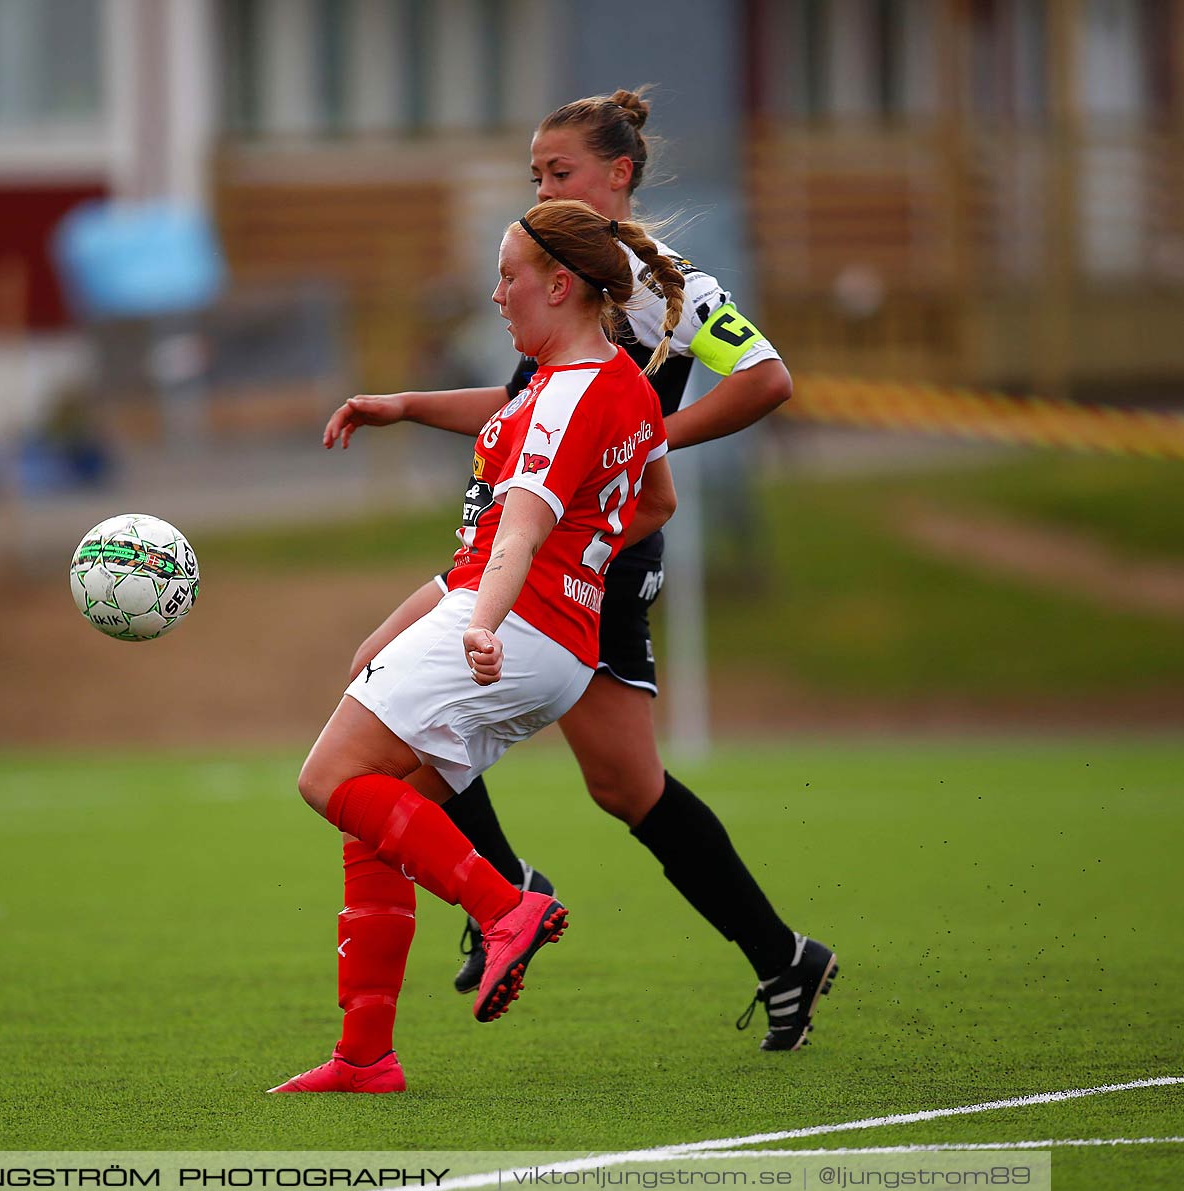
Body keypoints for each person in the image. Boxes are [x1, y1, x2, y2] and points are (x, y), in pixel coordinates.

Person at [321, 89, 837, 1051]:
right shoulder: (561, 287)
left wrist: (641, 444)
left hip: (592, 557)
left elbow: (768, 379)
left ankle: (520, 897)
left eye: (560, 174)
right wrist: (402, 403)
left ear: (618, 176)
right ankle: (533, 897)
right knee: (403, 694)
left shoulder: (670, 288)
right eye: (537, 177)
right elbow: (529, 404)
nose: (545, 189)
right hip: (528, 546)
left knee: (620, 783)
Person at [272, 199, 683, 1093]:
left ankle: (506, 906)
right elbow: (654, 504)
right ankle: (365, 1056)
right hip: (556, 639)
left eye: (508, 278)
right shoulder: (612, 382)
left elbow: (519, 537)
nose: (496, 296)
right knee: (376, 811)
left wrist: (487, 620)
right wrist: (540, 581)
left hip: (511, 621)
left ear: (560, 284)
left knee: (328, 780)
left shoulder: (563, 397)